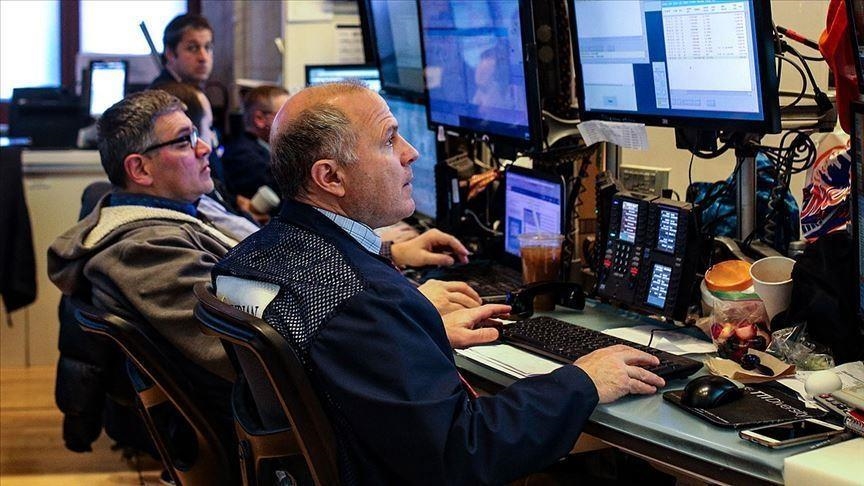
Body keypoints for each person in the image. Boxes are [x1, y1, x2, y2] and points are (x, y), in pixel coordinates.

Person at [212, 81, 666, 483]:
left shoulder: (246, 262)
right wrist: (583, 380)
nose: (410, 151)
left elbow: (325, 360)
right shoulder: (364, 299)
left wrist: (415, 335)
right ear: (330, 176)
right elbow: (461, 453)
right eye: (389, 139)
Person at [222, 85, 290, 200]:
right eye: (286, 114)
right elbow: (285, 193)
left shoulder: (266, 148)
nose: (295, 121)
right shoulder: (243, 156)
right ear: (259, 119)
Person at [150, 13, 213, 87]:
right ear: (170, 53)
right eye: (192, 48)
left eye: (207, 47)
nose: (203, 58)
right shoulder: (162, 91)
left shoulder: (192, 87)